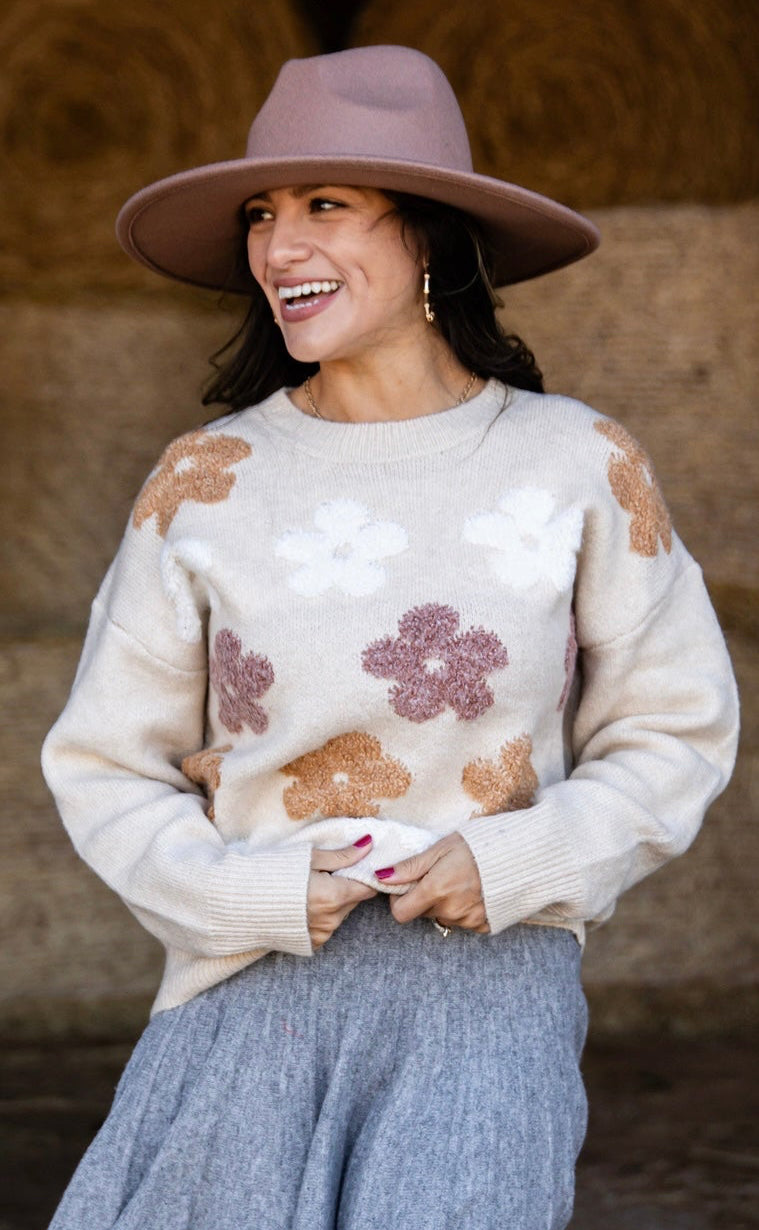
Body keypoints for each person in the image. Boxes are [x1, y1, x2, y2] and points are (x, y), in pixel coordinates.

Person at [41, 44, 739, 1230]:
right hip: (251, 993)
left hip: (490, 1000)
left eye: (326, 204)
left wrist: (518, 862)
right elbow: (104, 762)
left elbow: (678, 729)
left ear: (431, 240)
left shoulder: (580, 462)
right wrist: (248, 894)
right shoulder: (205, 480)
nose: (280, 246)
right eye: (262, 214)